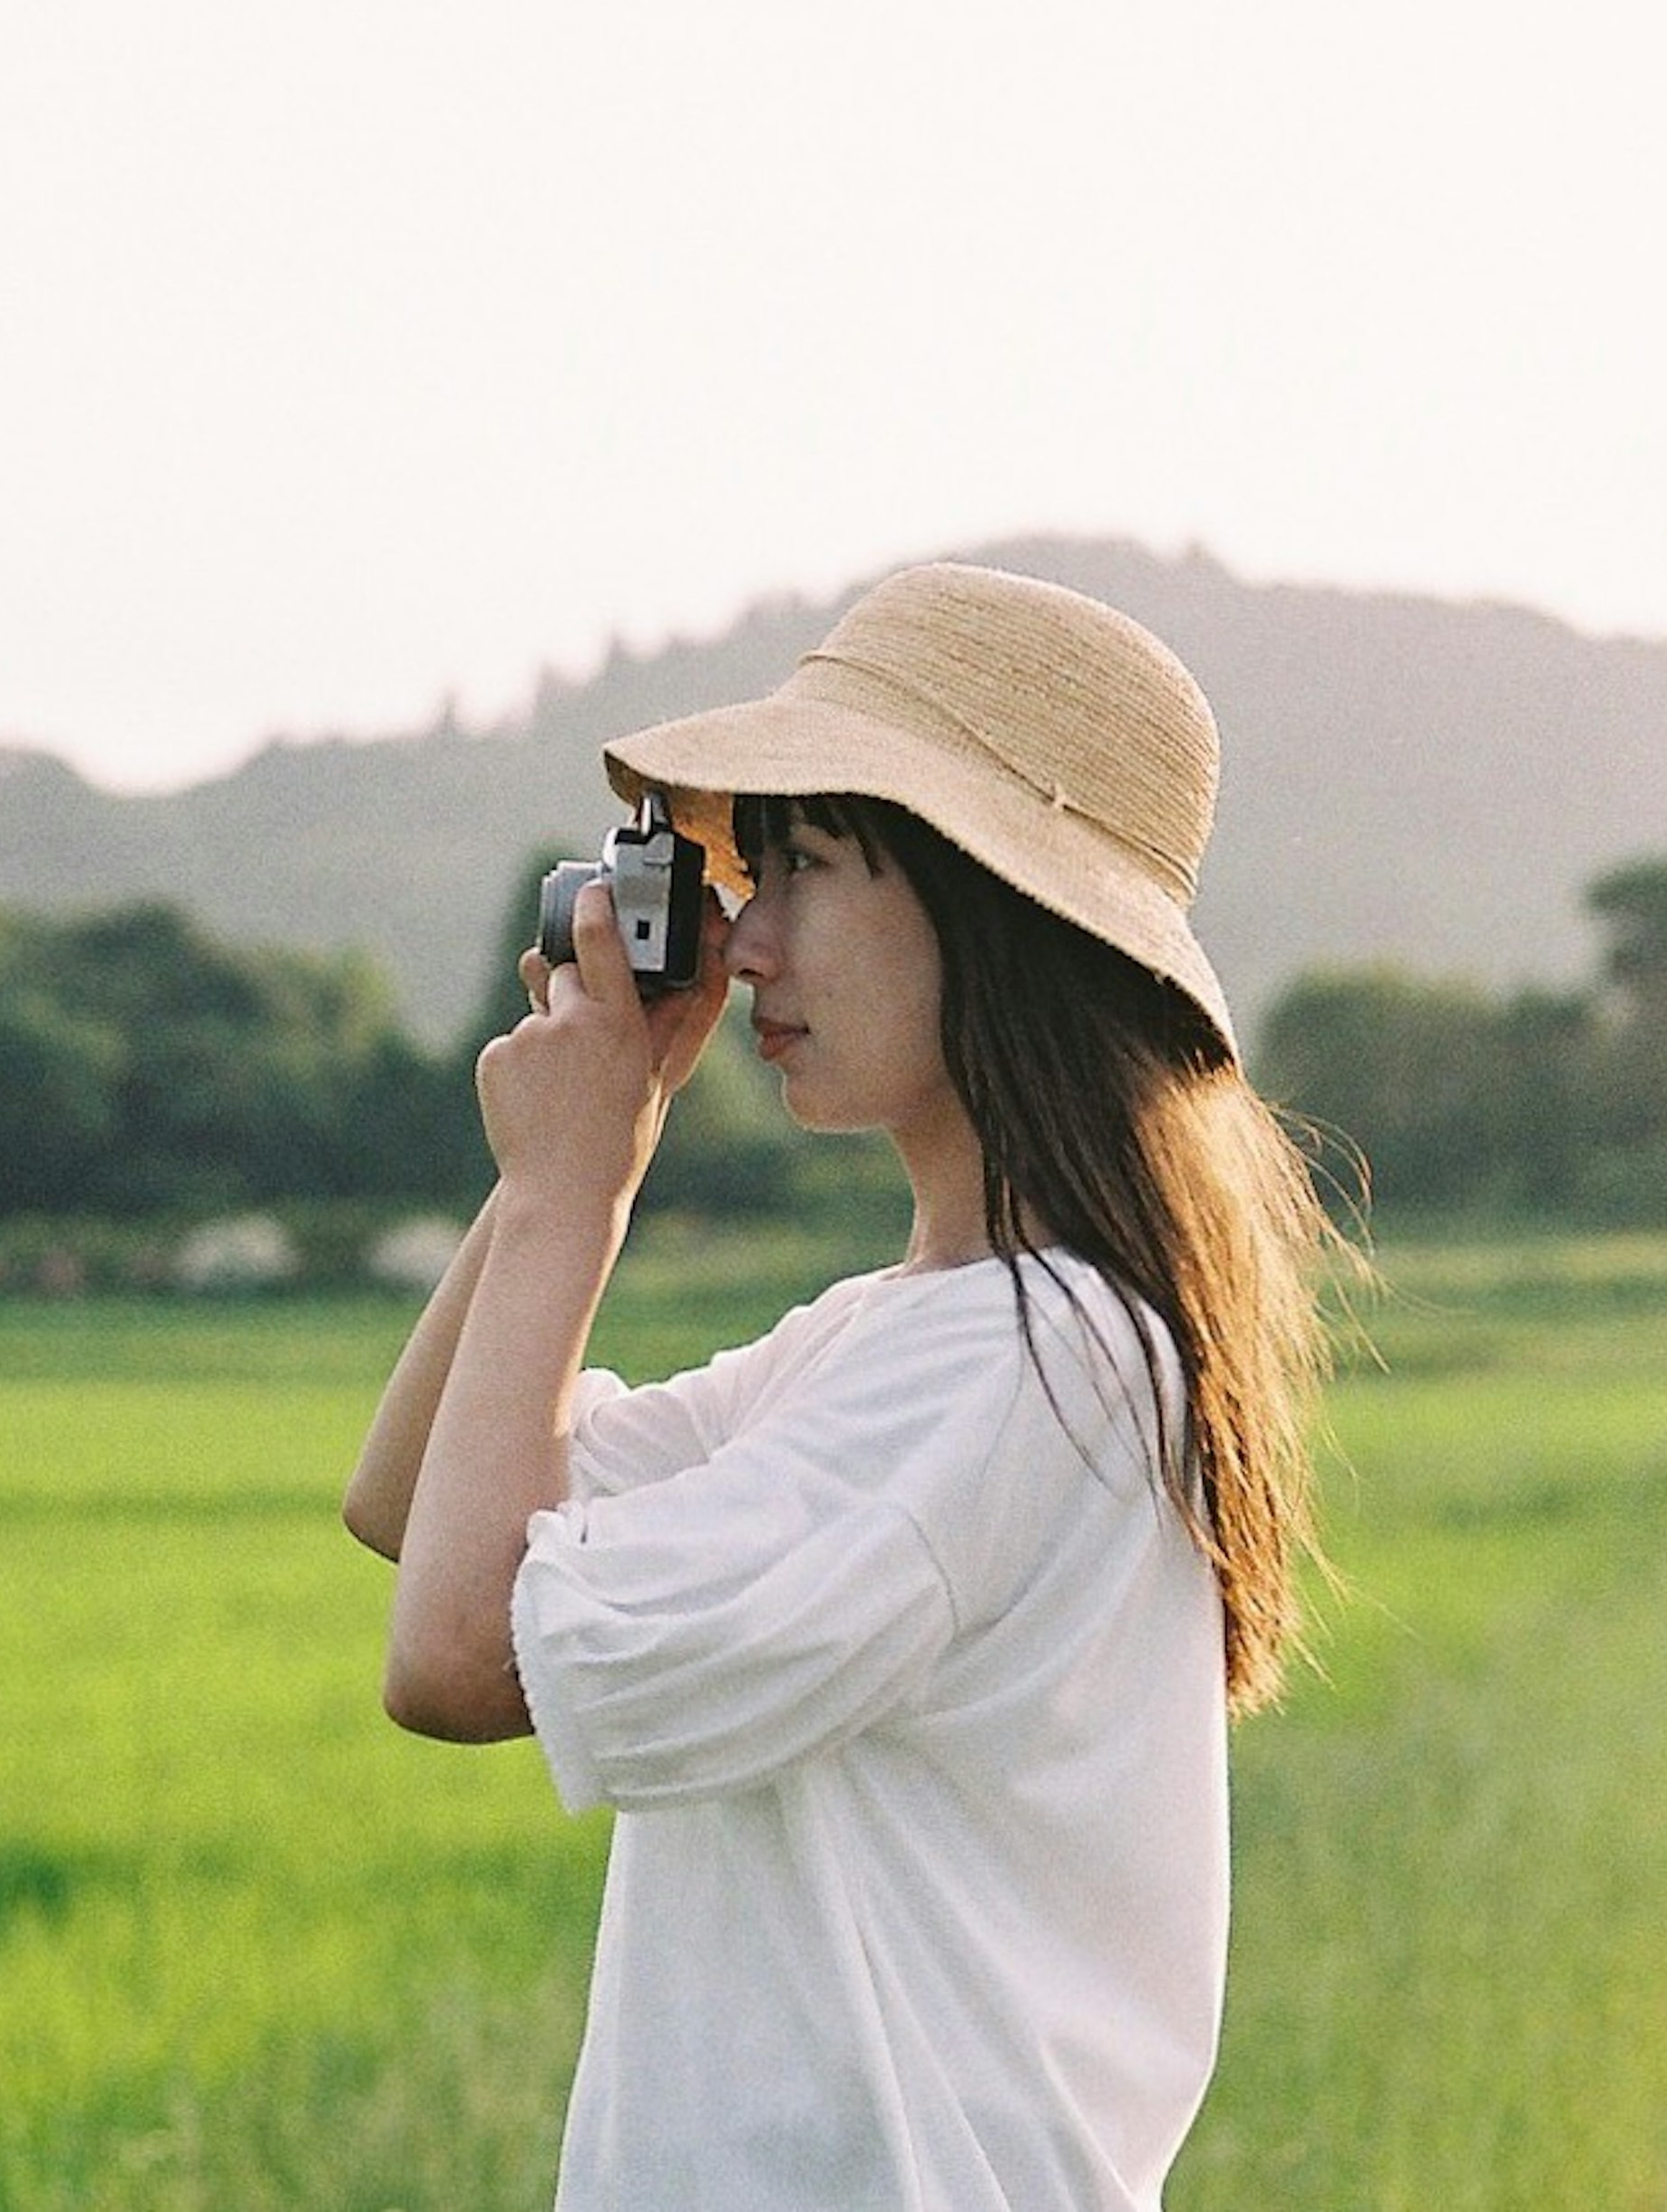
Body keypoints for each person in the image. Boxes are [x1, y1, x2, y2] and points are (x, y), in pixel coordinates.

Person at [342, 561, 1338, 2209]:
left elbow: (453, 1656)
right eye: (747, 871)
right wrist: (581, 1156)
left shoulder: (1018, 1365)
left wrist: (576, 1191)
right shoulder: (901, 1339)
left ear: (992, 908)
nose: (744, 940)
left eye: (802, 863)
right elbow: (412, 1502)